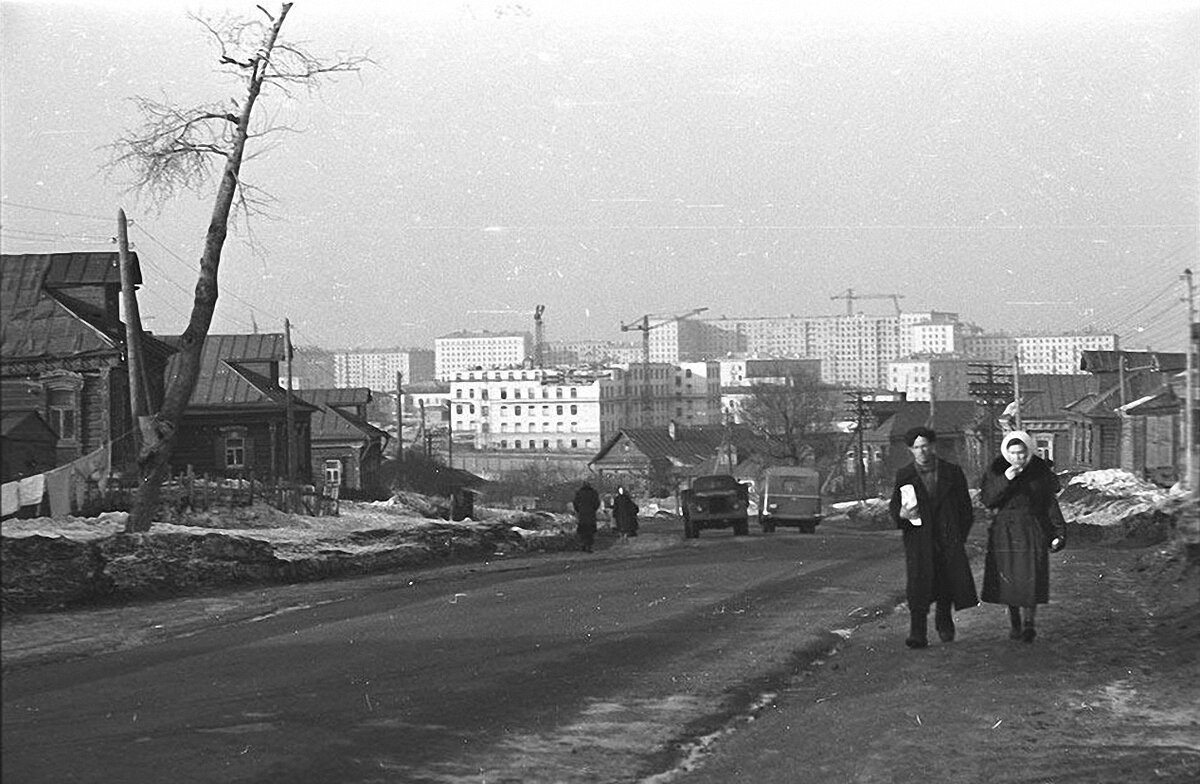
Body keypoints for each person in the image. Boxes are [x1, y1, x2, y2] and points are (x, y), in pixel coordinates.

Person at [888, 426, 979, 649]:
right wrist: (901, 514)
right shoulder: (905, 475)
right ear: (911, 450)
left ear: (933, 446)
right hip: (919, 540)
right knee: (918, 586)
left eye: (925, 446)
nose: (922, 451)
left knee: (946, 582)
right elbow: (895, 507)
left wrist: (958, 536)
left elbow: (966, 510)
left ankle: (944, 621)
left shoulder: (952, 472)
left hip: (947, 538)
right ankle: (917, 633)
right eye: (917, 447)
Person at [980, 430, 1067, 643]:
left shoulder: (1039, 472)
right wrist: (1006, 480)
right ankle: (1015, 622)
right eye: (1013, 453)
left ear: (1028, 452)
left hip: (1031, 529)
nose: (1017, 457)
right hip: (1005, 532)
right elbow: (988, 500)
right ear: (1006, 454)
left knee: (1030, 577)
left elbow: (1049, 504)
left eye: (1021, 453)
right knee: (1010, 580)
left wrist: (1058, 532)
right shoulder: (997, 470)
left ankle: (1029, 624)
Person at [572, 480, 601, 552]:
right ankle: (589, 546)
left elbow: (575, 503)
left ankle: (583, 544)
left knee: (583, 531)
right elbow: (597, 503)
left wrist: (579, 510)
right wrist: (593, 509)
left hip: (582, 515)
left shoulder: (579, 493)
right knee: (590, 532)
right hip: (591, 515)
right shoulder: (593, 493)